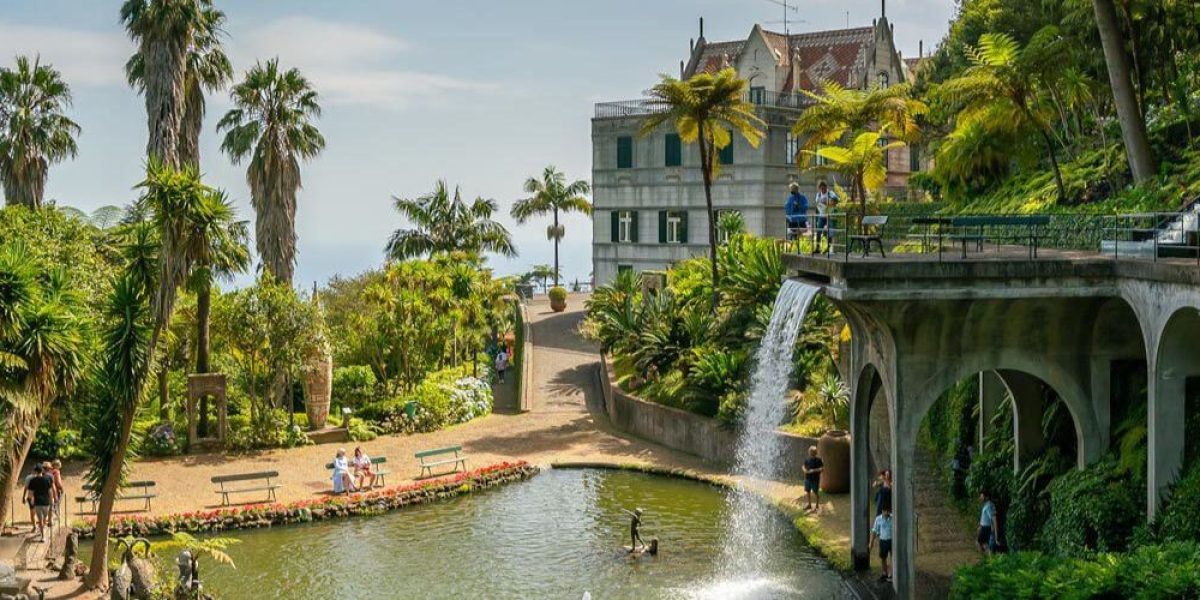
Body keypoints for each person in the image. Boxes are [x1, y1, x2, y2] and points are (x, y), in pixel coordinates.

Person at [23, 465, 56, 541]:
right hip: (46, 502)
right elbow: (50, 491)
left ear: (35, 471)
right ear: (42, 471)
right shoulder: (47, 479)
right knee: (45, 518)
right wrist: (51, 500)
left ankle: (43, 536)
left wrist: (31, 500)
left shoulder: (32, 481)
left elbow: (30, 493)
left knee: (40, 519)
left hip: (37, 502)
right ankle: (43, 529)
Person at [869, 506, 894, 582]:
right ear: (882, 511)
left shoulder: (893, 518)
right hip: (883, 540)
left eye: (888, 511)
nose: (887, 513)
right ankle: (884, 573)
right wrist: (871, 542)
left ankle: (891, 574)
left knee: (892, 557)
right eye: (885, 511)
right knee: (883, 557)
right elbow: (874, 530)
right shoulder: (878, 519)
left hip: (891, 540)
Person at [814, 181, 839, 254]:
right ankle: (818, 248)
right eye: (821, 189)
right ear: (819, 188)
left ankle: (828, 247)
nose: (823, 190)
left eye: (824, 188)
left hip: (829, 216)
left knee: (829, 232)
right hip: (821, 215)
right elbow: (817, 203)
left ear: (826, 187)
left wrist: (827, 202)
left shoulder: (830, 193)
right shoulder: (818, 194)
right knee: (818, 232)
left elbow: (836, 200)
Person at [977, 490, 998, 555]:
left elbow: (993, 518)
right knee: (982, 543)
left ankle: (990, 558)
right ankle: (988, 557)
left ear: (987, 497)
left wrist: (994, 530)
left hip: (986, 528)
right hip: (984, 527)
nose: (980, 498)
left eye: (982, 496)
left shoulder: (988, 506)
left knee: (982, 544)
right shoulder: (988, 504)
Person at [46, 461, 64, 525]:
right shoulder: (56, 472)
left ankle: (50, 518)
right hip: (55, 490)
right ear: (56, 465)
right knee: (56, 504)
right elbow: (58, 482)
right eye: (59, 465)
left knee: (50, 505)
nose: (60, 467)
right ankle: (56, 517)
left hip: (47, 491)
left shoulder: (48, 471)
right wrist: (62, 489)